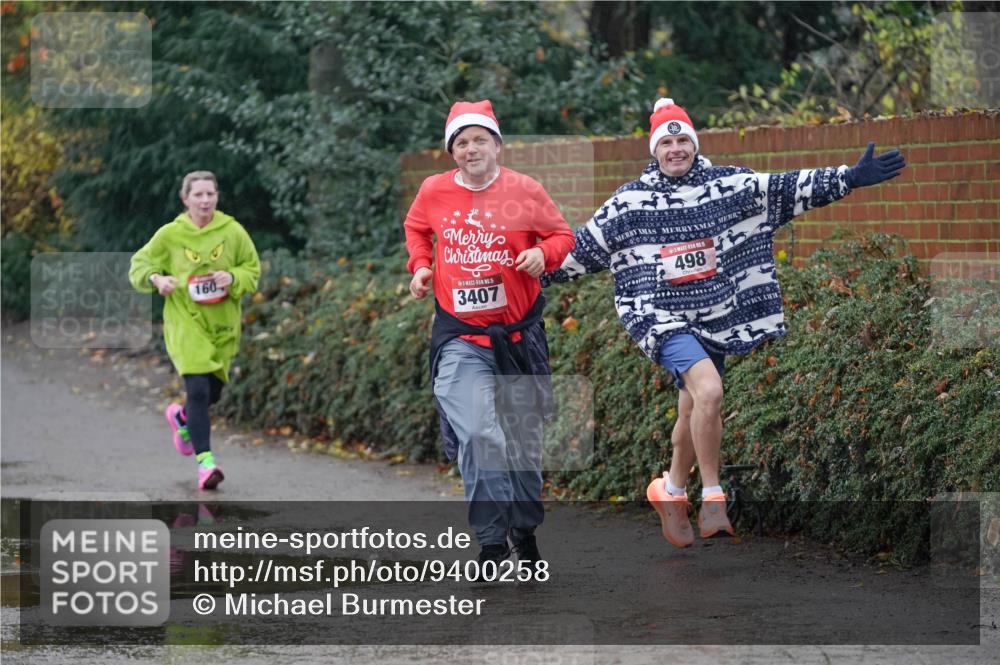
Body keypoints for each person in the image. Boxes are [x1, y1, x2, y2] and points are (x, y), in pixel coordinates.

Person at [543, 98, 905, 548]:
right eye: (666, 143)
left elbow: (788, 187)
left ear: (694, 144)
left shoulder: (730, 186)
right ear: (654, 150)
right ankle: (713, 496)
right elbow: (580, 250)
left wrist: (848, 178)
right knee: (711, 391)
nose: (675, 149)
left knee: (693, 406)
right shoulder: (629, 203)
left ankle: (671, 489)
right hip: (658, 316)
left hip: (716, 315)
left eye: (682, 140)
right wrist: (527, 271)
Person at [404, 100, 575, 571]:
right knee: (481, 434)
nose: (471, 149)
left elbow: (562, 236)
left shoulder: (525, 189)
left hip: (517, 340)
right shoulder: (434, 190)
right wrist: (420, 266)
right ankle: (492, 541)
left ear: (497, 146)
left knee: (523, 445)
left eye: (480, 139)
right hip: (460, 339)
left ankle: (524, 530)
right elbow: (416, 228)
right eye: (461, 143)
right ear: (452, 152)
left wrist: (543, 255)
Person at [129, 171, 261, 490]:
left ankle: (183, 418)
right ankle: (206, 464)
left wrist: (233, 277)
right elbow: (139, 264)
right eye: (198, 195)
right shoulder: (170, 234)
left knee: (212, 393)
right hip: (185, 322)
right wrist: (158, 279)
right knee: (199, 390)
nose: (205, 200)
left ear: (217, 196)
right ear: (185, 198)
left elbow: (252, 270)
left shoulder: (232, 231)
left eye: (210, 194)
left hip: (222, 326)